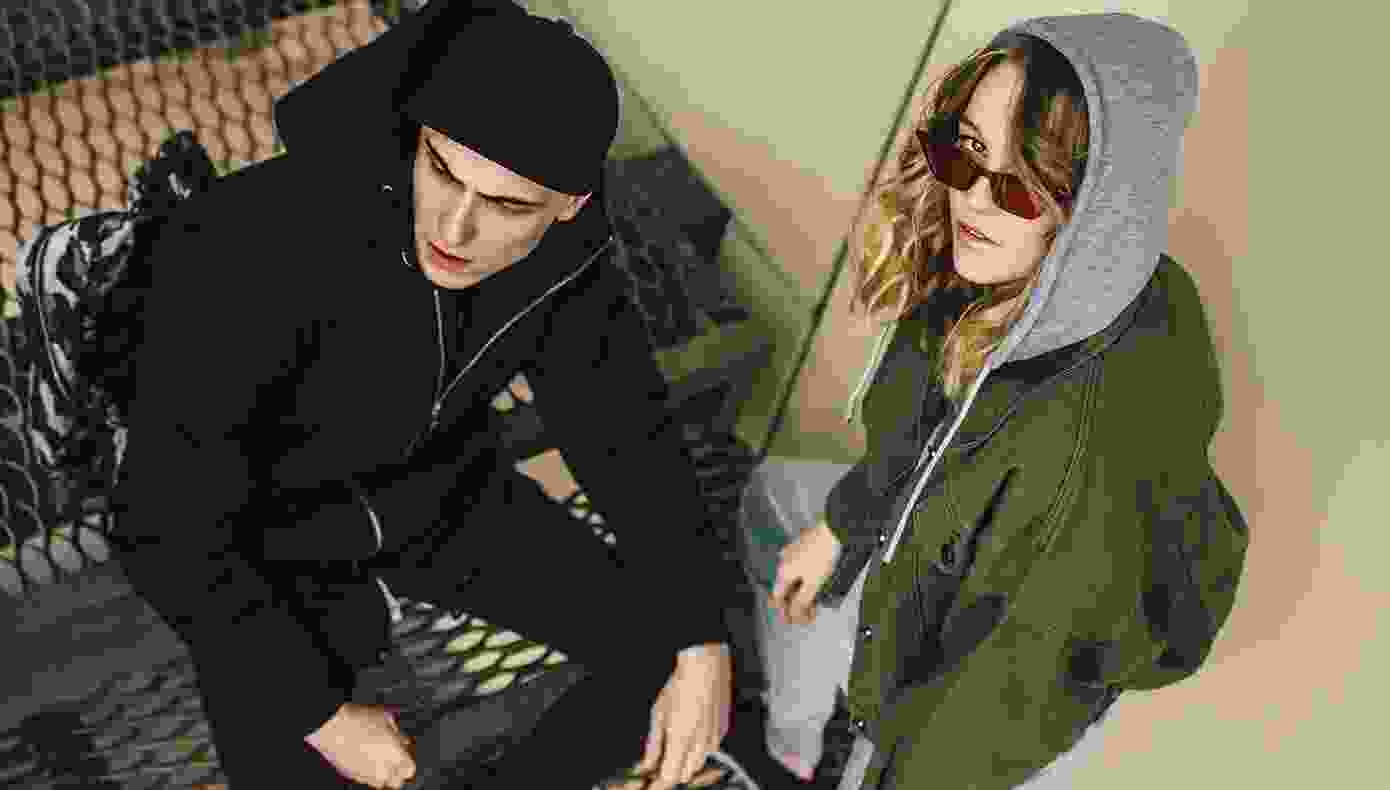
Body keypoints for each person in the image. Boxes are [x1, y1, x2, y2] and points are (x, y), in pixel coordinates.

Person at [110, 2, 737, 789]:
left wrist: (701, 638)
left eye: (507, 205)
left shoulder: (569, 258)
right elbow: (160, 522)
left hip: (441, 497)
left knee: (670, 656)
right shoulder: (245, 242)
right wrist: (322, 715)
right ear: (417, 135)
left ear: (570, 204)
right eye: (442, 171)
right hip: (266, 543)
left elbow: (625, 431)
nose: (456, 227)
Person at [769, 13, 1248, 790]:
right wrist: (846, 524)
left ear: (1095, 206)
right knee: (774, 513)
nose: (972, 200)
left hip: (1001, 687)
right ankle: (807, 746)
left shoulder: (1083, 460)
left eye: (1020, 184)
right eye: (966, 152)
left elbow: (988, 719)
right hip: (957, 588)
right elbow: (924, 429)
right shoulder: (1020, 270)